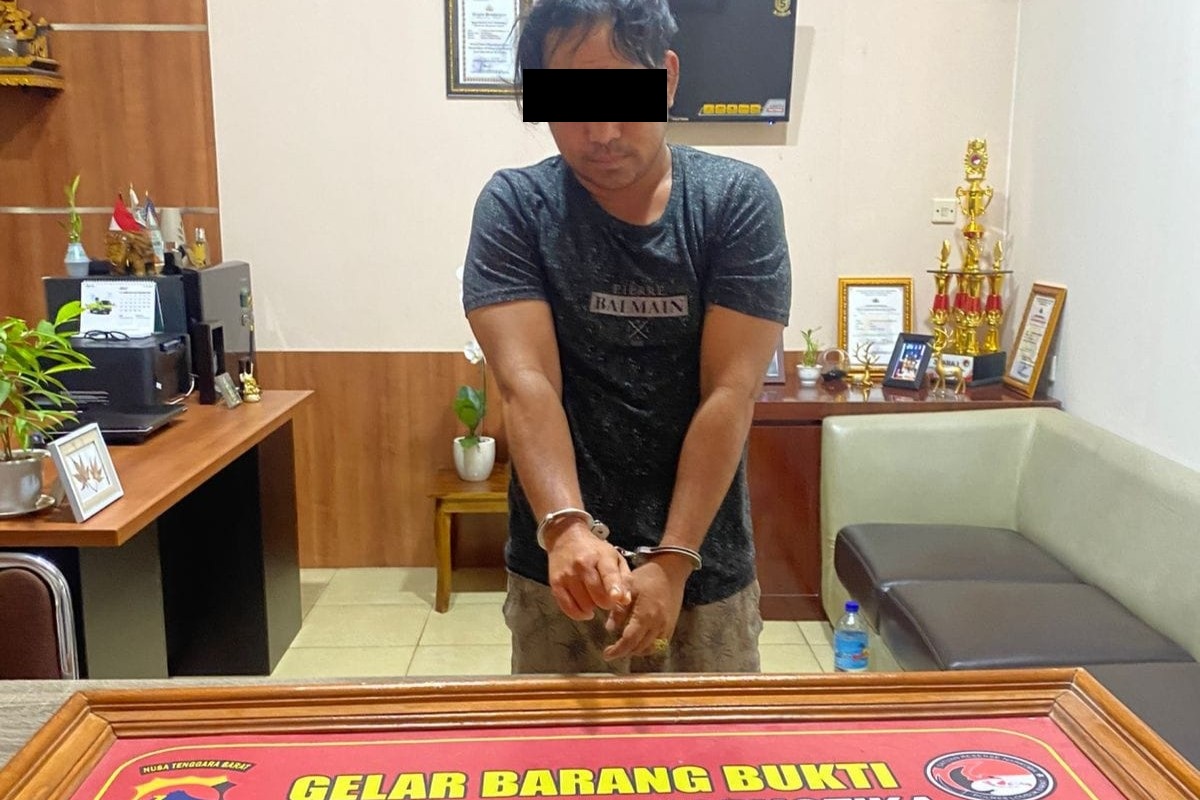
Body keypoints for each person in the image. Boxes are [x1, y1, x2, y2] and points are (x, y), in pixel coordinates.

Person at [461, 0, 792, 674]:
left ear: (667, 78)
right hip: (560, 570)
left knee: (713, 745)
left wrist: (673, 561)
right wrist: (566, 527)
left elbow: (729, 393)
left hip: (707, 566)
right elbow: (527, 385)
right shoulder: (516, 208)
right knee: (558, 746)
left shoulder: (735, 201)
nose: (603, 132)